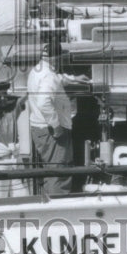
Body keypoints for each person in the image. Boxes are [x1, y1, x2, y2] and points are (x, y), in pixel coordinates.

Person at [26, 38, 88, 195]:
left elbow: (56, 79)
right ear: (55, 58)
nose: (61, 61)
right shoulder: (48, 76)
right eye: (60, 58)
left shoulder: (38, 70)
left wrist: (73, 78)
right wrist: (56, 126)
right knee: (60, 172)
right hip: (51, 132)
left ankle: (48, 203)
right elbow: (44, 102)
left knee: (51, 170)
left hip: (39, 129)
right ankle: (57, 208)